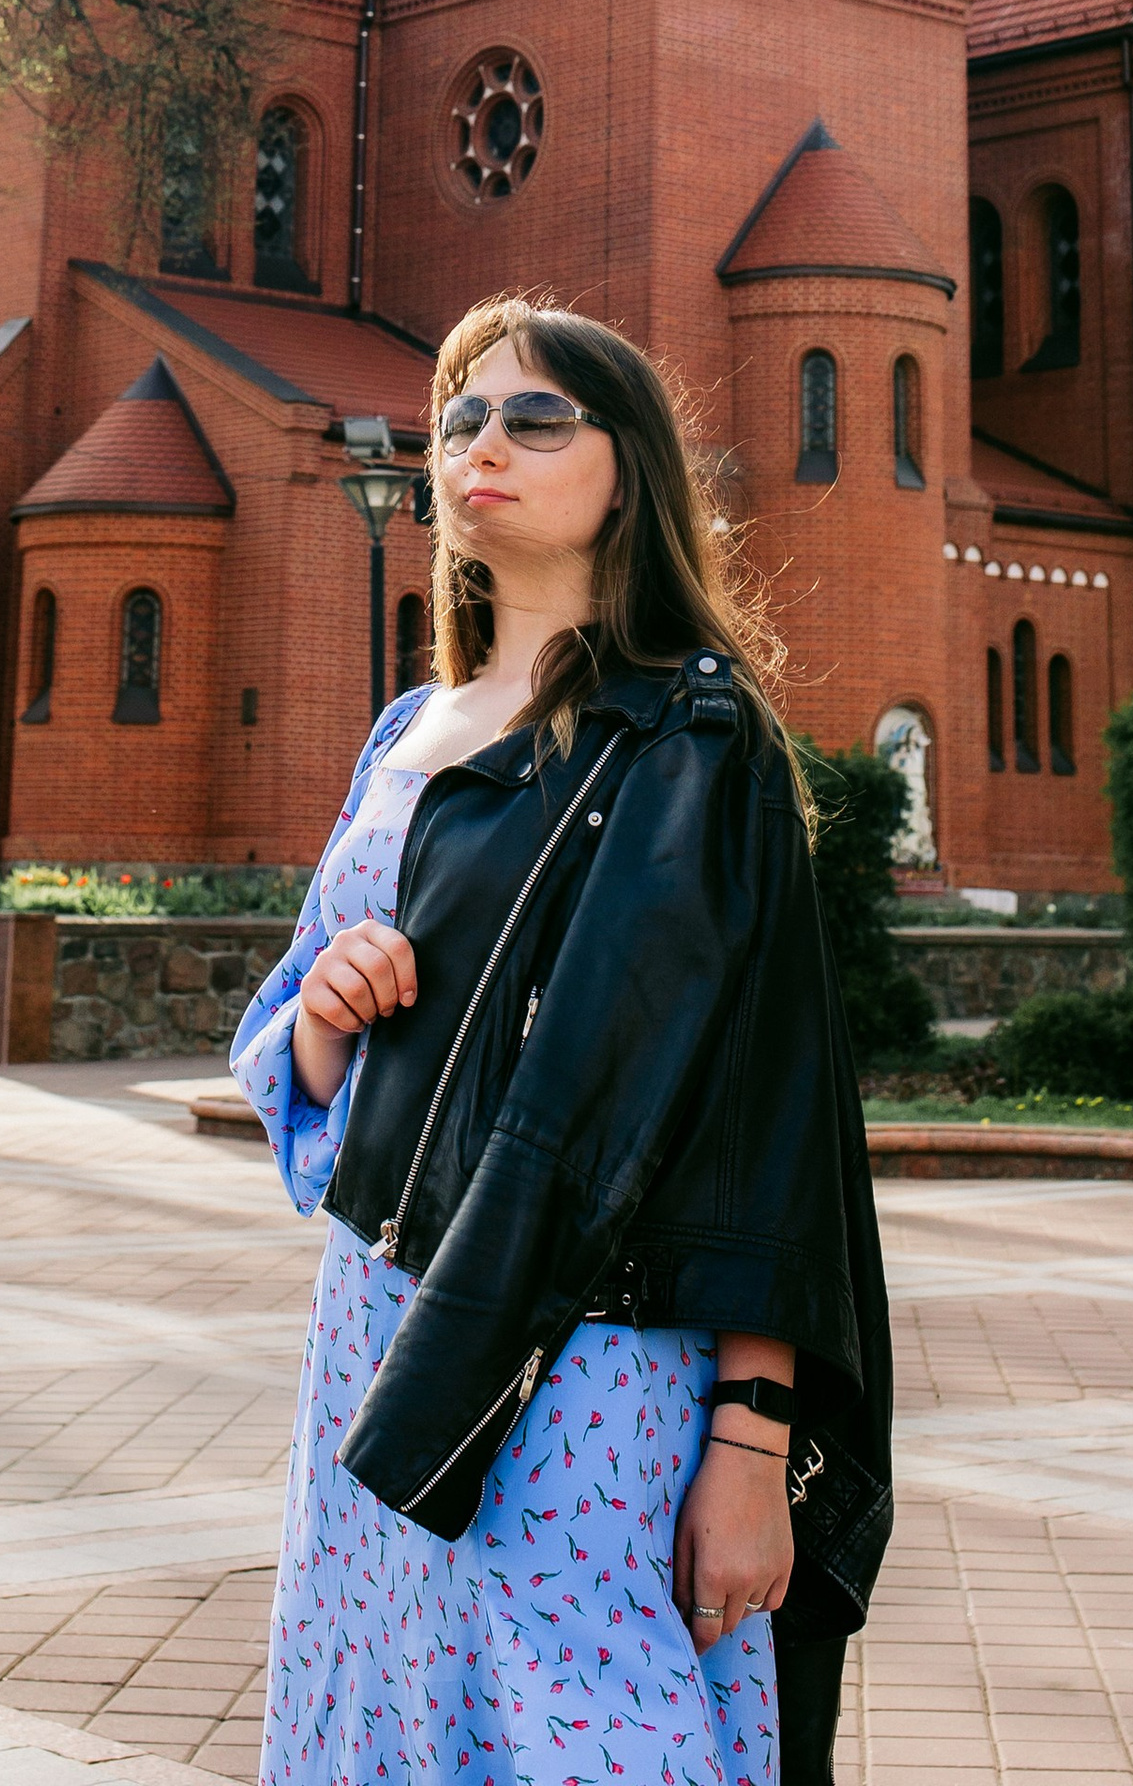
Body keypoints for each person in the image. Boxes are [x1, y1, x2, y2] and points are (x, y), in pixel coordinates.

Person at [231, 294, 892, 1786]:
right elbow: (289, 1036)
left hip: (582, 1361)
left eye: (538, 418)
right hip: (374, 1334)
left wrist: (748, 1440)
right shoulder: (407, 727)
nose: (484, 445)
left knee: (586, 1728)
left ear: (630, 471)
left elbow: (757, 1116)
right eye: (460, 418)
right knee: (380, 1703)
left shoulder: (690, 744)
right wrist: (328, 1021)